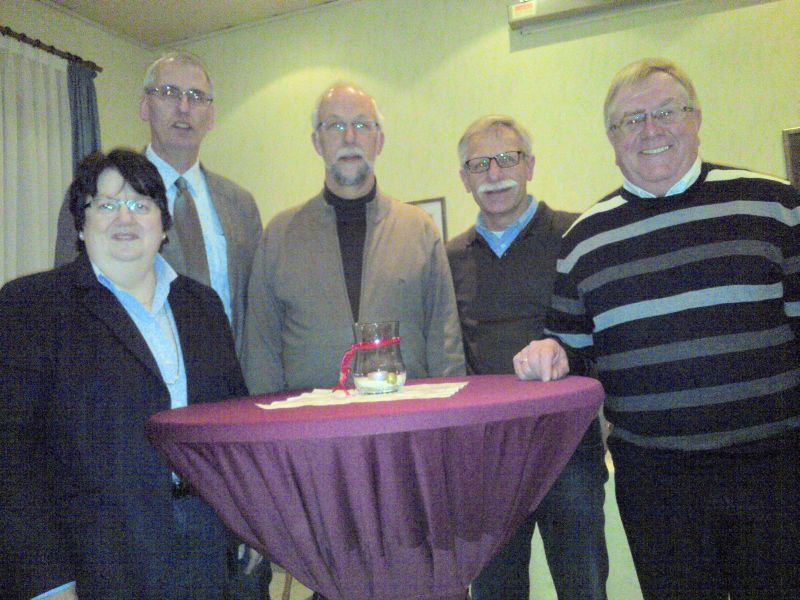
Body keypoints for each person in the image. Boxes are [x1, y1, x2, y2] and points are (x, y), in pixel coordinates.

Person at [514, 58, 800, 599]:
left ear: (695, 118)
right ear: (611, 138)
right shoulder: (584, 240)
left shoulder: (775, 205)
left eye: (666, 111)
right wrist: (550, 353)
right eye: (631, 120)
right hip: (656, 479)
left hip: (774, 468)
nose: (651, 130)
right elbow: (574, 351)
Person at [0, 149, 244, 599]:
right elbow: (13, 458)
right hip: (99, 563)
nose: (124, 218)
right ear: (80, 224)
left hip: (210, 548)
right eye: (106, 205)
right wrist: (48, 583)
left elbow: (236, 428)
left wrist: (253, 527)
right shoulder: (29, 307)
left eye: (140, 204)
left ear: (163, 224)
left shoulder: (203, 306)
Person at [446, 115, 608, 600]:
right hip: (486, 459)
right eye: (479, 164)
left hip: (568, 449)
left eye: (507, 158)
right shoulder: (448, 258)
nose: (494, 173)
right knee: (496, 591)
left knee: (583, 587)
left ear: (530, 165)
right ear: (465, 178)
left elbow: (607, 335)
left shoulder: (578, 236)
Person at [242, 82, 465, 395]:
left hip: (404, 423)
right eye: (335, 126)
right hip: (310, 431)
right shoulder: (279, 237)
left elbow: (446, 340)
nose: (349, 137)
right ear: (317, 142)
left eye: (361, 125)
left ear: (380, 141)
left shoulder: (419, 230)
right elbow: (261, 351)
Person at [54, 52, 262, 355]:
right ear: (144, 107)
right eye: (168, 93)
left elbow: (254, 310)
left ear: (211, 116)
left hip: (226, 380)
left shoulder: (240, 204)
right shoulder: (96, 196)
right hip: (132, 382)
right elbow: (70, 299)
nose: (184, 107)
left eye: (197, 96)